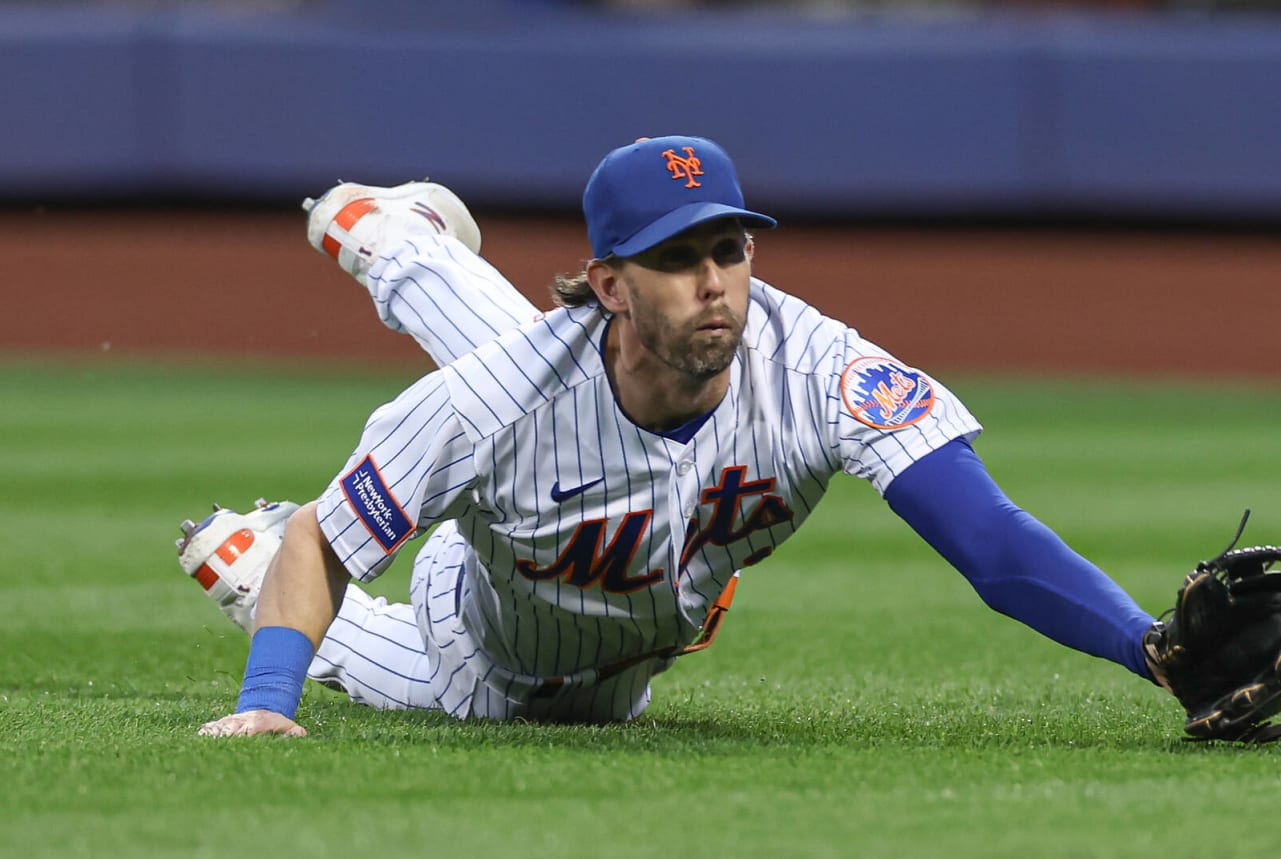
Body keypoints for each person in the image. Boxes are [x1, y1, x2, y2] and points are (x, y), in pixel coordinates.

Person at [182, 135, 1163, 737]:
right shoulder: (496, 400)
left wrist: (1149, 645)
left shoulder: (814, 366)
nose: (713, 281)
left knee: (539, 376)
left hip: (631, 591)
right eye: (675, 257)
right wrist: (269, 698)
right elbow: (326, 538)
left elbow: (989, 540)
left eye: (728, 249)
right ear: (611, 280)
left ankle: (383, 228)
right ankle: (240, 557)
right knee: (505, 404)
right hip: (492, 643)